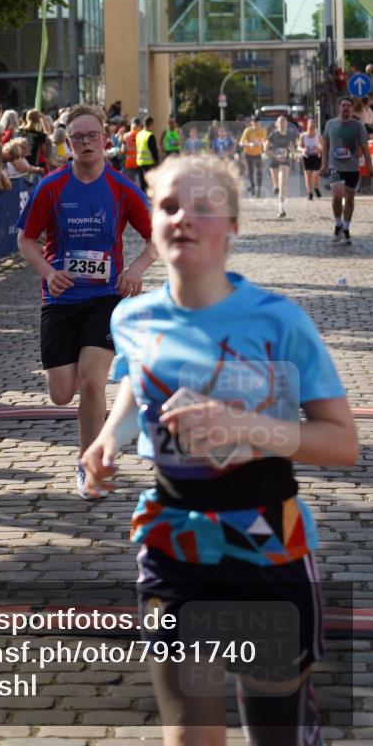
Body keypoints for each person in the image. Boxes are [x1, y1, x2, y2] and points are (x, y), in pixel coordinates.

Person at [81, 154, 359, 746]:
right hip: (171, 543)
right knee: (189, 732)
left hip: (267, 545)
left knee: (273, 733)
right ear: (151, 225)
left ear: (232, 227)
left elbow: (342, 444)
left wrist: (246, 427)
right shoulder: (132, 316)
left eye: (204, 208)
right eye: (170, 206)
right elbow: (137, 380)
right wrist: (109, 437)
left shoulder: (279, 321)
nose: (185, 218)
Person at [17, 105, 155, 499]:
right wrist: (47, 272)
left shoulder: (123, 188)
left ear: (105, 140)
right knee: (62, 392)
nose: (86, 143)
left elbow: (155, 238)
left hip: (104, 298)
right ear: (68, 145)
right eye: (77, 138)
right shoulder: (52, 186)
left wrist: (136, 270)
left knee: (93, 383)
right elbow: (25, 239)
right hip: (60, 299)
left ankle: (89, 465)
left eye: (92, 136)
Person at [320, 96, 372, 245]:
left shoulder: (358, 126)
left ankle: (346, 228)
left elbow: (364, 147)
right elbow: (325, 146)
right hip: (335, 166)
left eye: (348, 105)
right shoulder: (330, 124)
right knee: (338, 194)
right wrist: (323, 165)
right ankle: (338, 223)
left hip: (352, 168)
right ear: (339, 107)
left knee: (349, 198)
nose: (345, 108)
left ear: (351, 108)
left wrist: (369, 166)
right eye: (343, 105)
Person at [264, 116, 295, 219]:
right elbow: (265, 149)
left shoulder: (289, 135)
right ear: (277, 124)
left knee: (283, 185)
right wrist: (274, 156)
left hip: (285, 162)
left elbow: (291, 147)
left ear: (286, 124)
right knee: (277, 185)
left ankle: (281, 209)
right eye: (280, 122)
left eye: (284, 122)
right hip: (274, 162)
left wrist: (295, 154)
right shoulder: (273, 134)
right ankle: (275, 187)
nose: (282, 123)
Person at [238, 114, 266, 197]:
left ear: (260, 123)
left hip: (258, 154)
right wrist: (249, 144)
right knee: (250, 171)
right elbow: (241, 143)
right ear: (252, 123)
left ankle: (258, 190)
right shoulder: (248, 130)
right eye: (254, 123)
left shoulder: (262, 131)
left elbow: (265, 141)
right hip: (248, 154)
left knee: (259, 171)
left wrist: (261, 143)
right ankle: (253, 187)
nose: (256, 124)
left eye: (257, 123)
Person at [297, 118, 323, 201]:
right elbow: (299, 147)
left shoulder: (318, 136)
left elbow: (322, 146)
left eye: (312, 127)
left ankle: (316, 187)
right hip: (307, 157)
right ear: (307, 127)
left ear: (315, 127)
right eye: (309, 127)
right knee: (308, 175)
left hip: (316, 156)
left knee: (316, 174)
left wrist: (318, 148)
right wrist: (303, 150)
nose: (311, 129)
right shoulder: (303, 136)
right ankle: (310, 193)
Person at [136, 116, 159, 190]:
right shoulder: (150, 135)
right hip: (149, 163)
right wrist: (156, 163)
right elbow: (154, 151)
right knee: (149, 185)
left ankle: (142, 200)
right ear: (151, 124)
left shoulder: (138, 134)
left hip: (139, 163)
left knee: (142, 184)